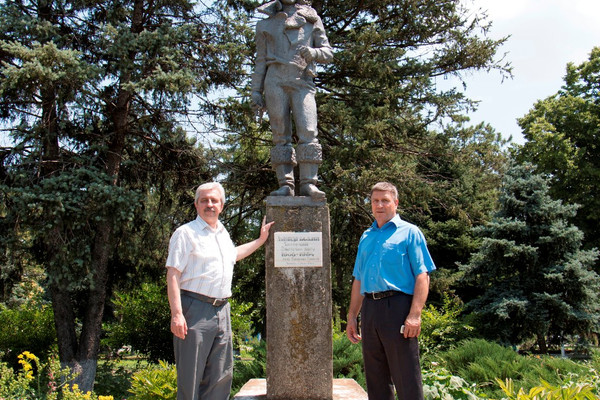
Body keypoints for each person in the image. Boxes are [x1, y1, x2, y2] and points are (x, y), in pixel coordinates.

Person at [166, 182, 273, 400]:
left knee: (220, 377)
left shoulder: (222, 233)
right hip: (194, 310)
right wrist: (177, 314)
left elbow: (234, 254)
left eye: (214, 200)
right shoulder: (185, 233)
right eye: (204, 200)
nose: (209, 204)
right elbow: (173, 274)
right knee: (190, 379)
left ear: (222, 206)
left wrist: (261, 240)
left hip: (222, 311)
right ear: (196, 204)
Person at [346, 182, 436, 400]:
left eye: (385, 200)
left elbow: (422, 275)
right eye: (375, 201)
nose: (379, 205)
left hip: (398, 309)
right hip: (370, 309)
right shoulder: (366, 237)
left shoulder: (410, 233)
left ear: (395, 203)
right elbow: (359, 279)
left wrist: (415, 315)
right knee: (376, 378)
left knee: (406, 376)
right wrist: (352, 316)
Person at [251, 0, 333, 200]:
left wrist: (313, 52)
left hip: (302, 80)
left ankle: (309, 184)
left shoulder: (312, 19)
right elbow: (260, 59)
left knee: (308, 130)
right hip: (274, 80)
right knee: (280, 134)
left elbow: (328, 52)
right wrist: (255, 90)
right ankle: (285, 184)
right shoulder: (264, 24)